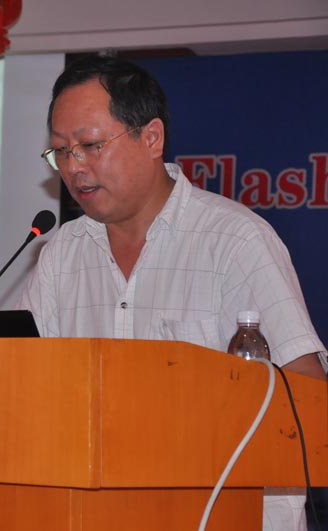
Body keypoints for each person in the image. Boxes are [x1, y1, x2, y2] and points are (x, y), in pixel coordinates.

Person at [18, 54, 328, 531]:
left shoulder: (234, 241)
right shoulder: (62, 254)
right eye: (60, 151)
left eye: (90, 145)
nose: (74, 166)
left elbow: (308, 393)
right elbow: (21, 384)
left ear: (151, 138)